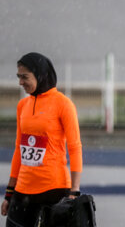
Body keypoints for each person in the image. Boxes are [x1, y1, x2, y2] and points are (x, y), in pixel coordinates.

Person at [1, 52, 83, 227]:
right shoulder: (22, 105)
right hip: (23, 190)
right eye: (18, 77)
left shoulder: (63, 104)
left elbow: (75, 147)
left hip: (54, 190)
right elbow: (19, 149)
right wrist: (9, 193)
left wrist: (74, 191)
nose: (20, 82)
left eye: (25, 77)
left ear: (41, 75)